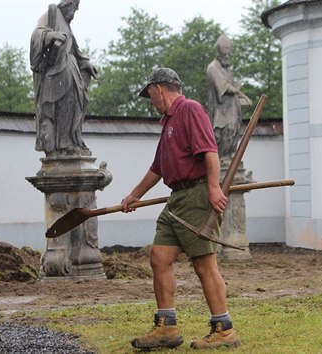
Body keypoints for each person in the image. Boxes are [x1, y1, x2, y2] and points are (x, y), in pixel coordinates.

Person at [121, 68, 240, 350]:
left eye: (150, 94)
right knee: (159, 256)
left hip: (197, 195)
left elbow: (209, 151)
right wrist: (134, 195)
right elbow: (158, 168)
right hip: (176, 199)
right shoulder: (168, 123)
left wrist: (213, 188)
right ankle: (167, 327)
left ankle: (224, 329)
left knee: (203, 264)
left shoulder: (190, 110)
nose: (150, 100)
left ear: (159, 88)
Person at [30, 0, 97, 156]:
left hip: (71, 70)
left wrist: (85, 62)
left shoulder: (66, 24)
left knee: (74, 104)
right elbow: (36, 34)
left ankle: (71, 139)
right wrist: (52, 35)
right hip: (57, 73)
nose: (74, 13)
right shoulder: (52, 14)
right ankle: (63, 142)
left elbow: (74, 48)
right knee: (61, 105)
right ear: (68, 5)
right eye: (74, 8)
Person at [207, 34, 251, 163]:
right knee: (226, 130)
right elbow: (225, 87)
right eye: (224, 55)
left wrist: (242, 96)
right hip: (221, 110)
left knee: (234, 130)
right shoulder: (212, 67)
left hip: (233, 108)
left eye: (228, 54)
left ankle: (230, 157)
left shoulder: (226, 68)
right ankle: (223, 159)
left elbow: (231, 86)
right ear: (218, 52)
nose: (227, 57)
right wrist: (236, 89)